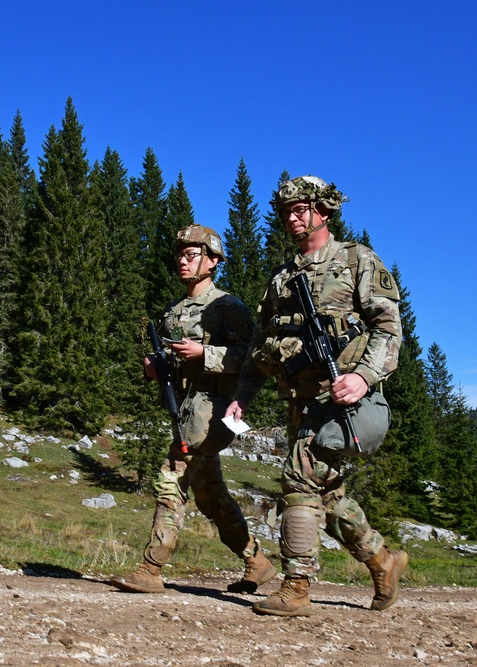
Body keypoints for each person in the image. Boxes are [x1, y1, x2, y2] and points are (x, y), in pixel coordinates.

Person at [225, 176, 407, 616]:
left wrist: (363, 376)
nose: (292, 217)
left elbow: (388, 328)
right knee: (327, 494)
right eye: (286, 210)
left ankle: (297, 585)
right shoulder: (282, 278)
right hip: (299, 400)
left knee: (299, 481)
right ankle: (383, 561)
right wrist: (243, 396)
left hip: (342, 398)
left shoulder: (356, 260)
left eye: (301, 208)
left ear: (323, 211)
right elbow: (259, 346)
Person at [110, 224, 277, 595]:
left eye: (191, 256)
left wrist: (206, 354)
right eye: (180, 256)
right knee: (211, 495)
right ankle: (257, 562)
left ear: (213, 261)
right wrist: (157, 369)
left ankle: (151, 567)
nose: (182, 262)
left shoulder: (228, 307)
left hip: (212, 412)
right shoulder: (174, 310)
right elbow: (175, 363)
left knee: (171, 476)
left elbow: (254, 357)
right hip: (185, 410)